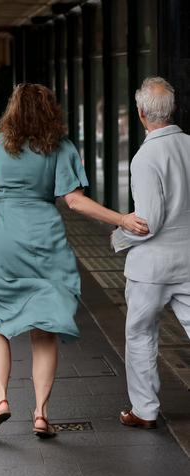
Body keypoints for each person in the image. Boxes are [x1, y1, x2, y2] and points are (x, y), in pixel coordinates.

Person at [0, 83, 149, 438]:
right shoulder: (60, 147)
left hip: (3, 236)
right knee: (45, 327)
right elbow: (74, 202)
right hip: (44, 237)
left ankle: (0, 401)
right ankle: (40, 414)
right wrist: (122, 219)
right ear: (50, 110)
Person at [110, 77, 190, 429]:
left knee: (141, 333)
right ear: (172, 110)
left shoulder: (144, 158)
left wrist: (118, 238)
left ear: (141, 113)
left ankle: (145, 410)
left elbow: (148, 222)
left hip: (152, 268)